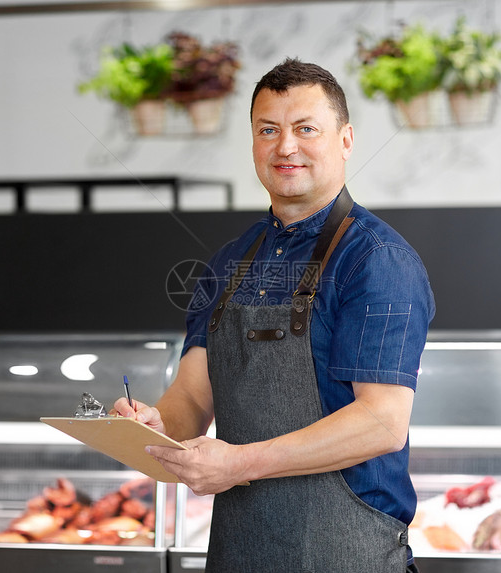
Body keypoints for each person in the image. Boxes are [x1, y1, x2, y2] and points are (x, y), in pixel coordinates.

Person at [115, 58, 435, 573]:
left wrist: (240, 463)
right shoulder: (226, 263)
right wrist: (154, 426)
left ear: (346, 139)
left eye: (306, 129)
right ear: (254, 144)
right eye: (269, 130)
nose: (286, 146)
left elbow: (381, 423)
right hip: (240, 554)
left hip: (346, 556)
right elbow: (193, 397)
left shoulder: (376, 260)